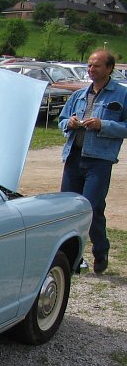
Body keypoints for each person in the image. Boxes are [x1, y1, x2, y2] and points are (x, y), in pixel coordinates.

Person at [59, 48, 127, 274]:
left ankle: (100, 250)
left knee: (91, 208)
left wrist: (103, 125)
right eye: (89, 65)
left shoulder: (122, 95)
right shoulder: (79, 94)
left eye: (96, 65)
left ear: (109, 68)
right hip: (73, 158)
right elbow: (62, 120)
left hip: (99, 161)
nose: (91, 69)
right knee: (68, 208)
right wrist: (69, 123)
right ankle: (72, 256)